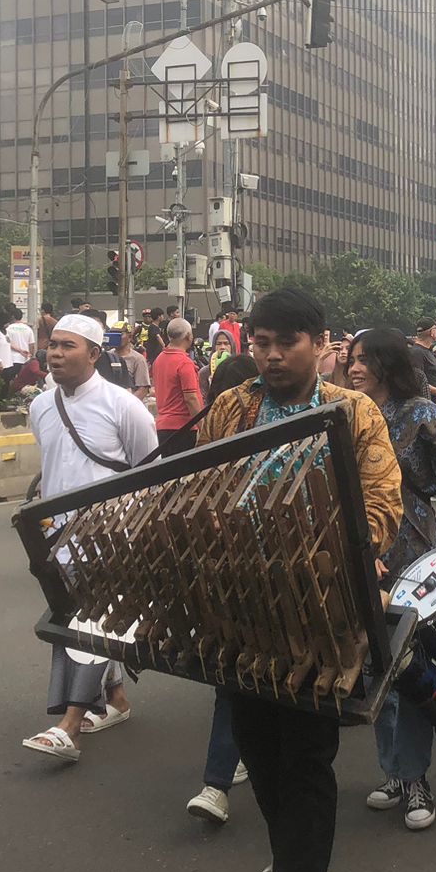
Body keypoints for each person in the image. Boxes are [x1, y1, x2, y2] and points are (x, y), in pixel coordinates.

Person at [197, 289, 400, 872]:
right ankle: (287, 863)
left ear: (321, 345)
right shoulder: (232, 407)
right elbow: (199, 487)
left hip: (321, 614)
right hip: (241, 612)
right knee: (259, 749)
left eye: (287, 343)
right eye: (262, 343)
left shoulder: (354, 412)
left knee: (306, 757)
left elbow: (382, 504)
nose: (273, 355)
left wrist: (334, 554)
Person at [21, 314, 157, 764]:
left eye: (68, 346)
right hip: (57, 539)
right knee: (76, 619)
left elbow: (148, 472)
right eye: (53, 345)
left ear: (95, 354)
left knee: (87, 622)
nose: (55, 354)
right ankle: (115, 699)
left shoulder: (124, 407)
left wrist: (134, 532)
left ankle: (70, 724)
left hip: (109, 538)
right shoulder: (42, 407)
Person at [348, 329, 436, 833]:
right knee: (376, 666)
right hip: (361, 548)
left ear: (387, 363)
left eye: (364, 360)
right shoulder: (347, 413)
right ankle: (393, 773)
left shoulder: (422, 413)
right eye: (351, 359)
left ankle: (416, 778)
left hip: (415, 544)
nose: (354, 368)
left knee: (409, 663)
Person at [184, 353, 260, 831]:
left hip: (279, 568)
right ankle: (217, 782)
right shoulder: (218, 429)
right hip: (235, 568)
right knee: (233, 673)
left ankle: (232, 769)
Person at [152, 317, 206, 456]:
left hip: (162, 426)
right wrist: (203, 427)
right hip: (183, 428)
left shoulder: (159, 359)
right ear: (188, 336)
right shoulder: (184, 363)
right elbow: (191, 398)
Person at [407, 319, 436, 400]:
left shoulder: (426, 350)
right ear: (431, 332)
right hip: (431, 402)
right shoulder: (417, 352)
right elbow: (417, 381)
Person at [115, 325, 151, 400]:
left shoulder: (138, 359)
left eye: (120, 334)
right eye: (112, 333)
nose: (115, 336)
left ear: (129, 337)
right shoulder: (106, 356)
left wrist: (128, 404)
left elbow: (143, 389)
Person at [3, 305, 37, 386]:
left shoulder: (8, 329)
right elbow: (32, 345)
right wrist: (30, 355)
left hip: (12, 359)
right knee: (23, 382)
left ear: (12, 317)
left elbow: (7, 343)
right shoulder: (28, 329)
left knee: (9, 381)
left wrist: (19, 350)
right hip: (25, 360)